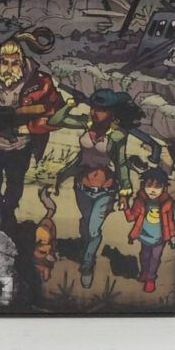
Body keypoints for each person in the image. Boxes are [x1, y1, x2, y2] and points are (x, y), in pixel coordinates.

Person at [0, 39, 64, 236]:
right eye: (4, 62)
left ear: (22, 63)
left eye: (14, 63)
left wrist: (30, 127)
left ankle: (8, 223)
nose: (9, 68)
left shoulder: (40, 83)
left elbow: (57, 114)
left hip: (20, 149)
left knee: (14, 193)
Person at [52, 88, 141, 288]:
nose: (94, 112)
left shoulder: (117, 135)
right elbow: (55, 120)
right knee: (85, 223)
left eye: (101, 109)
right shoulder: (86, 123)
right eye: (93, 108)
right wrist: (70, 104)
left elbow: (122, 163)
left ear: (112, 112)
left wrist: (125, 191)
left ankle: (87, 264)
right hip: (82, 188)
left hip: (105, 191)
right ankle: (86, 250)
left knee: (93, 230)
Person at [125, 167, 175, 293]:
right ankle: (144, 272)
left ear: (164, 188)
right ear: (143, 186)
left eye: (157, 186)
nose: (152, 190)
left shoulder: (167, 203)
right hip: (145, 236)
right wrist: (125, 206)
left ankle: (150, 278)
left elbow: (170, 221)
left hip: (160, 237)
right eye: (149, 186)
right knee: (144, 255)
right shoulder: (140, 201)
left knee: (155, 258)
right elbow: (131, 217)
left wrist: (172, 235)